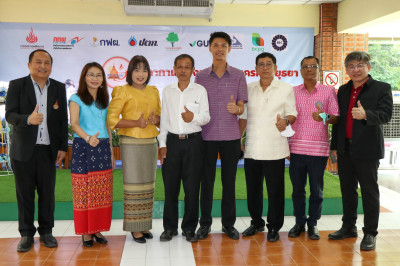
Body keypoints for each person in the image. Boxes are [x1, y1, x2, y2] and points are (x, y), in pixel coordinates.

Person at [5, 49, 68, 252]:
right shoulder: (17, 85)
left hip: (48, 150)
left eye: (47, 62)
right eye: (38, 61)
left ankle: (47, 232)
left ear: (51, 66)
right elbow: (10, 115)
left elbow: (61, 120)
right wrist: (27, 119)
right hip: (23, 150)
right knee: (24, 195)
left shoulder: (58, 87)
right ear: (29, 64)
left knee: (47, 194)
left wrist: (62, 147)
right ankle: (26, 234)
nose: (43, 66)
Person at [329, 51, 393, 251]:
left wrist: (367, 114)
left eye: (359, 65)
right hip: (345, 149)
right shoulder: (343, 90)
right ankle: (348, 227)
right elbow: (338, 121)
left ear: (368, 67)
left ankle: (370, 233)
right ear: (346, 69)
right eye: (351, 66)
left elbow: (386, 114)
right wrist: (334, 147)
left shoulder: (382, 88)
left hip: (368, 150)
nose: (355, 70)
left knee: (369, 192)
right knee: (347, 191)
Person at [239, 52, 297, 242]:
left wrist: (286, 121)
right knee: (253, 190)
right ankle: (256, 223)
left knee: (275, 191)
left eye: (268, 64)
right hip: (252, 148)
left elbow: (292, 114)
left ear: (275, 68)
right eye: (261, 64)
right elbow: (243, 117)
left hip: (275, 148)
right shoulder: (248, 89)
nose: (265, 67)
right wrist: (239, 138)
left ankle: (274, 226)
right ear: (255, 68)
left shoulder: (286, 88)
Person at [195, 31, 247, 240]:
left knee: (229, 182)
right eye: (215, 45)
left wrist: (237, 109)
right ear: (209, 48)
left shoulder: (239, 75)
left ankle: (228, 225)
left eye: (223, 45)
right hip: (205, 137)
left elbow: (242, 106)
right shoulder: (200, 76)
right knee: (206, 182)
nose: (219, 49)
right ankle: (205, 224)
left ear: (229, 49)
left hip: (231, 137)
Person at [107, 55, 161, 244]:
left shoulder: (154, 91)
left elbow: (161, 117)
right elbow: (111, 119)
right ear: (130, 71)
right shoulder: (121, 90)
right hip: (131, 142)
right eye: (136, 69)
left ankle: (144, 225)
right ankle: (134, 229)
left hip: (151, 143)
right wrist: (135, 123)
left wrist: (157, 120)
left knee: (148, 186)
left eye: (144, 69)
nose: (141, 74)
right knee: (133, 186)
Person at [158, 54, 210, 243]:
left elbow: (206, 117)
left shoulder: (200, 90)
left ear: (192, 70)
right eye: (180, 66)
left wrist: (193, 118)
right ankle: (169, 228)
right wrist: (162, 145)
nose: (183, 70)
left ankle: (189, 228)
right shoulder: (167, 91)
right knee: (170, 188)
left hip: (194, 143)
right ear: (174, 69)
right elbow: (164, 120)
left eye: (187, 67)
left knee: (192, 188)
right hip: (172, 143)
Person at [288, 56, 339, 240]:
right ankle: (300, 222)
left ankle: (313, 223)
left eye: (313, 66)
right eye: (305, 66)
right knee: (297, 190)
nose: (309, 69)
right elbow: (288, 118)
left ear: (318, 69)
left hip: (318, 151)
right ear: (300, 71)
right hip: (296, 149)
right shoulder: (292, 92)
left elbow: (336, 117)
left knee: (316, 190)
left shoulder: (328, 91)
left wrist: (324, 117)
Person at [69, 62, 116, 247]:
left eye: (99, 75)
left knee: (100, 191)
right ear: (84, 77)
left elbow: (107, 127)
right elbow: (74, 124)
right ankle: (86, 232)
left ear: (103, 79)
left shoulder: (105, 100)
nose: (95, 78)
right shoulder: (76, 98)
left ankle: (97, 229)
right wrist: (88, 138)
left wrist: (111, 151)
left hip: (103, 148)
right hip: (84, 146)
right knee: (83, 191)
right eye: (91, 74)